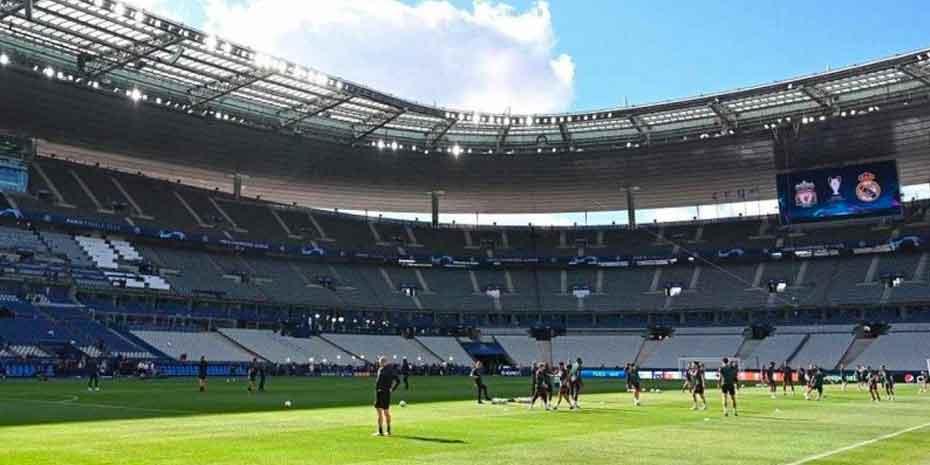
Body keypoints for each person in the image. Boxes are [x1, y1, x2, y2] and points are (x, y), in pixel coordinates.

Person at [373, 356, 400, 436]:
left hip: (385, 393)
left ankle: (388, 430)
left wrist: (392, 389)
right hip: (379, 393)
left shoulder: (390, 370)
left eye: (380, 362)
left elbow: (398, 381)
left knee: (385, 412)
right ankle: (381, 431)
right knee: (379, 412)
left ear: (383, 362)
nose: (379, 364)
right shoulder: (380, 369)